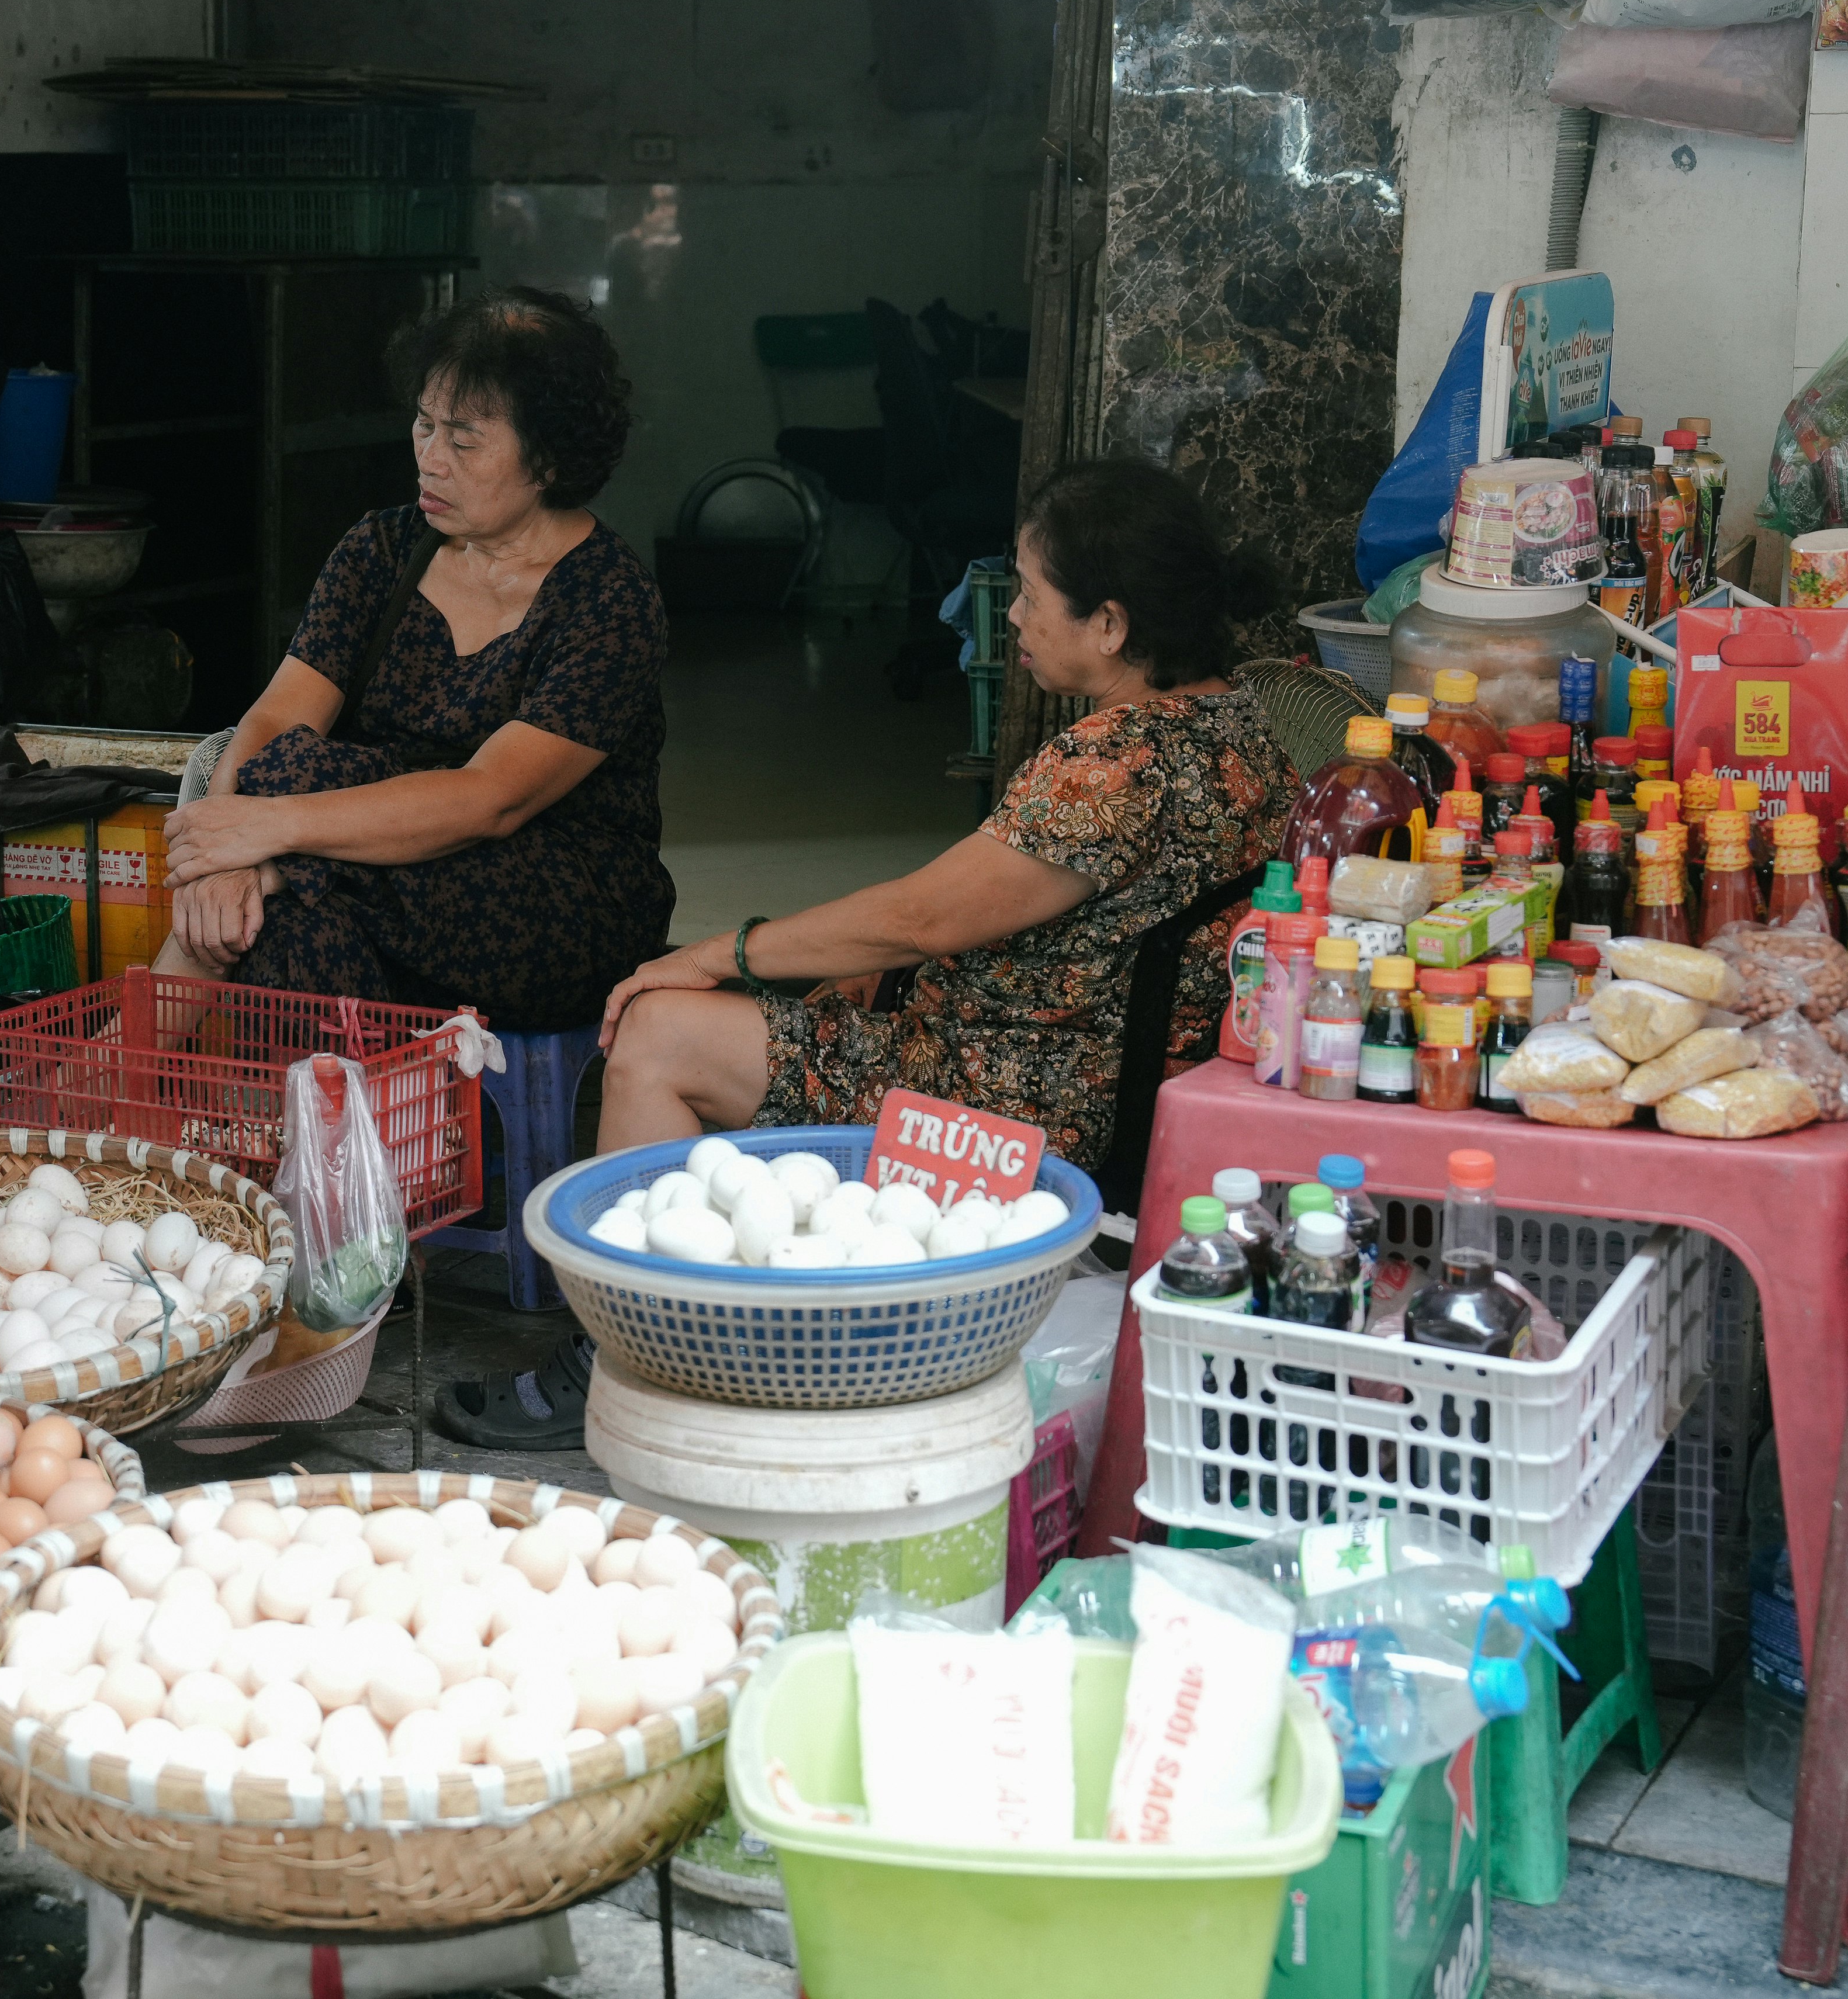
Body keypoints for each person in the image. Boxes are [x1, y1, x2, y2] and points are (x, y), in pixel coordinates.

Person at [437, 459, 1296, 1448]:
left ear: (1110, 623)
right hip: (1092, 1062)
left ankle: (622, 1357)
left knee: (661, 1033)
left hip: (1021, 1102)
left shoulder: (1114, 765)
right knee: (792, 992)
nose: (1010, 615)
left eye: (1028, 592)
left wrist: (726, 953)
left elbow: (926, 920)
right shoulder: (1240, 724)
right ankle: (707, 1322)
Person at [157, 287, 673, 1034]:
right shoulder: (381, 551)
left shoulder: (610, 602)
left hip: (549, 901)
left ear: (550, 460)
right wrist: (230, 860)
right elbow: (275, 717)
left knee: (300, 790)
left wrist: (268, 837)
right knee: (298, 928)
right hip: (374, 874)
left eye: (464, 442)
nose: (430, 458)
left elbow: (493, 800)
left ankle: (93, 1085)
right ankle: (341, 1147)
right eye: (425, 425)